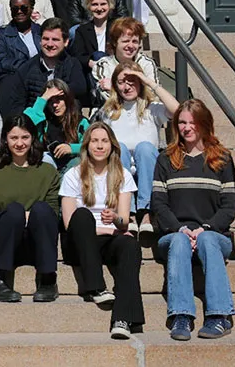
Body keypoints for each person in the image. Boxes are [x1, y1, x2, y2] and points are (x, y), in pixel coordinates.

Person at [153, 99, 235, 341]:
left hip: (214, 235)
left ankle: (218, 316)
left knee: (209, 240)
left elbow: (229, 207)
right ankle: (181, 316)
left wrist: (204, 229)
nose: (187, 127)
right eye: (181, 122)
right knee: (179, 242)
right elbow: (159, 204)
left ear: (204, 124)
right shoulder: (166, 159)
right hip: (174, 234)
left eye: (193, 122)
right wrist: (180, 229)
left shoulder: (222, 159)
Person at [60, 122, 144, 339]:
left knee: (131, 245)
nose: (99, 146)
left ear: (112, 145)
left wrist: (115, 219)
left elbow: (124, 222)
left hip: (109, 240)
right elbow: (70, 224)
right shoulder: (73, 175)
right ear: (86, 145)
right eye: (95, 141)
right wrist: (107, 230)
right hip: (80, 243)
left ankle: (122, 320)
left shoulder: (122, 175)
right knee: (83, 215)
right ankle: (96, 287)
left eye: (104, 141)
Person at [0, 114, 60, 303]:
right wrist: (20, 215)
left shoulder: (48, 172)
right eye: (14, 138)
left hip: (37, 241)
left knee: (41, 210)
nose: (19, 143)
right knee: (14, 211)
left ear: (33, 138)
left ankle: (48, 279)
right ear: (5, 140)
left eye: (25, 137)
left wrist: (27, 216)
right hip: (4, 239)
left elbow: (52, 213)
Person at [101, 61, 180, 232]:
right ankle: (126, 212)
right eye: (121, 82)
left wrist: (150, 82)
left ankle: (146, 212)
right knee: (118, 147)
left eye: (132, 81)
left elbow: (177, 111)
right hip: (119, 168)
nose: (127, 87)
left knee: (144, 147)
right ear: (115, 85)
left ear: (140, 83)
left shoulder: (152, 108)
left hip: (147, 168)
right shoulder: (108, 111)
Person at [0, 17, 88, 118]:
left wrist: (56, 90)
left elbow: (81, 88)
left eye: (55, 40)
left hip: (66, 122)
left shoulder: (73, 64)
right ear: (40, 40)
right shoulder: (27, 69)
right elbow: (18, 102)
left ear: (66, 42)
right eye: (46, 39)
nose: (50, 44)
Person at [23, 78, 90, 170]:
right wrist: (43, 98)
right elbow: (25, 124)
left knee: (77, 162)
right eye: (50, 101)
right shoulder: (42, 120)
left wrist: (71, 148)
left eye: (59, 100)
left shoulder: (81, 122)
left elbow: (92, 146)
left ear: (67, 100)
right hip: (48, 166)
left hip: (72, 168)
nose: (55, 105)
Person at [92, 17, 159, 103]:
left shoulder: (147, 63)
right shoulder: (103, 65)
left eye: (135, 41)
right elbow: (108, 98)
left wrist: (113, 86)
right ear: (115, 43)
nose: (130, 46)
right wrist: (140, 90)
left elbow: (153, 95)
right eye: (126, 41)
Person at [0, 0, 40, 89]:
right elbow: (0, 62)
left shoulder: (41, 32)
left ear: (31, 8)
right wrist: (30, 67)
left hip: (40, 80)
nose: (19, 11)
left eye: (24, 8)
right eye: (15, 9)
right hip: (14, 81)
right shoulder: (0, 35)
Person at [70, 0, 120, 89]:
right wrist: (94, 64)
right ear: (89, 7)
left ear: (109, 6)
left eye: (103, 4)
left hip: (114, 68)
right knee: (97, 56)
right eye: (95, 4)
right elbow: (78, 55)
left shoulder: (117, 27)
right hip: (92, 70)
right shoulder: (82, 30)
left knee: (99, 55)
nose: (99, 8)